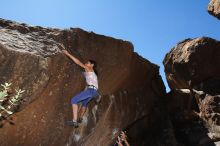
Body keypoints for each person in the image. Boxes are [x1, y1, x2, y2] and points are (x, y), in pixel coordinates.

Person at [59, 43, 99, 128]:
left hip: (91, 91)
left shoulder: (89, 68)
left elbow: (79, 63)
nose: (86, 63)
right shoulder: (93, 73)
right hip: (93, 92)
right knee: (84, 103)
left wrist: (67, 54)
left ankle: (74, 121)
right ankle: (80, 117)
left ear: (92, 65)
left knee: (74, 100)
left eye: (88, 63)